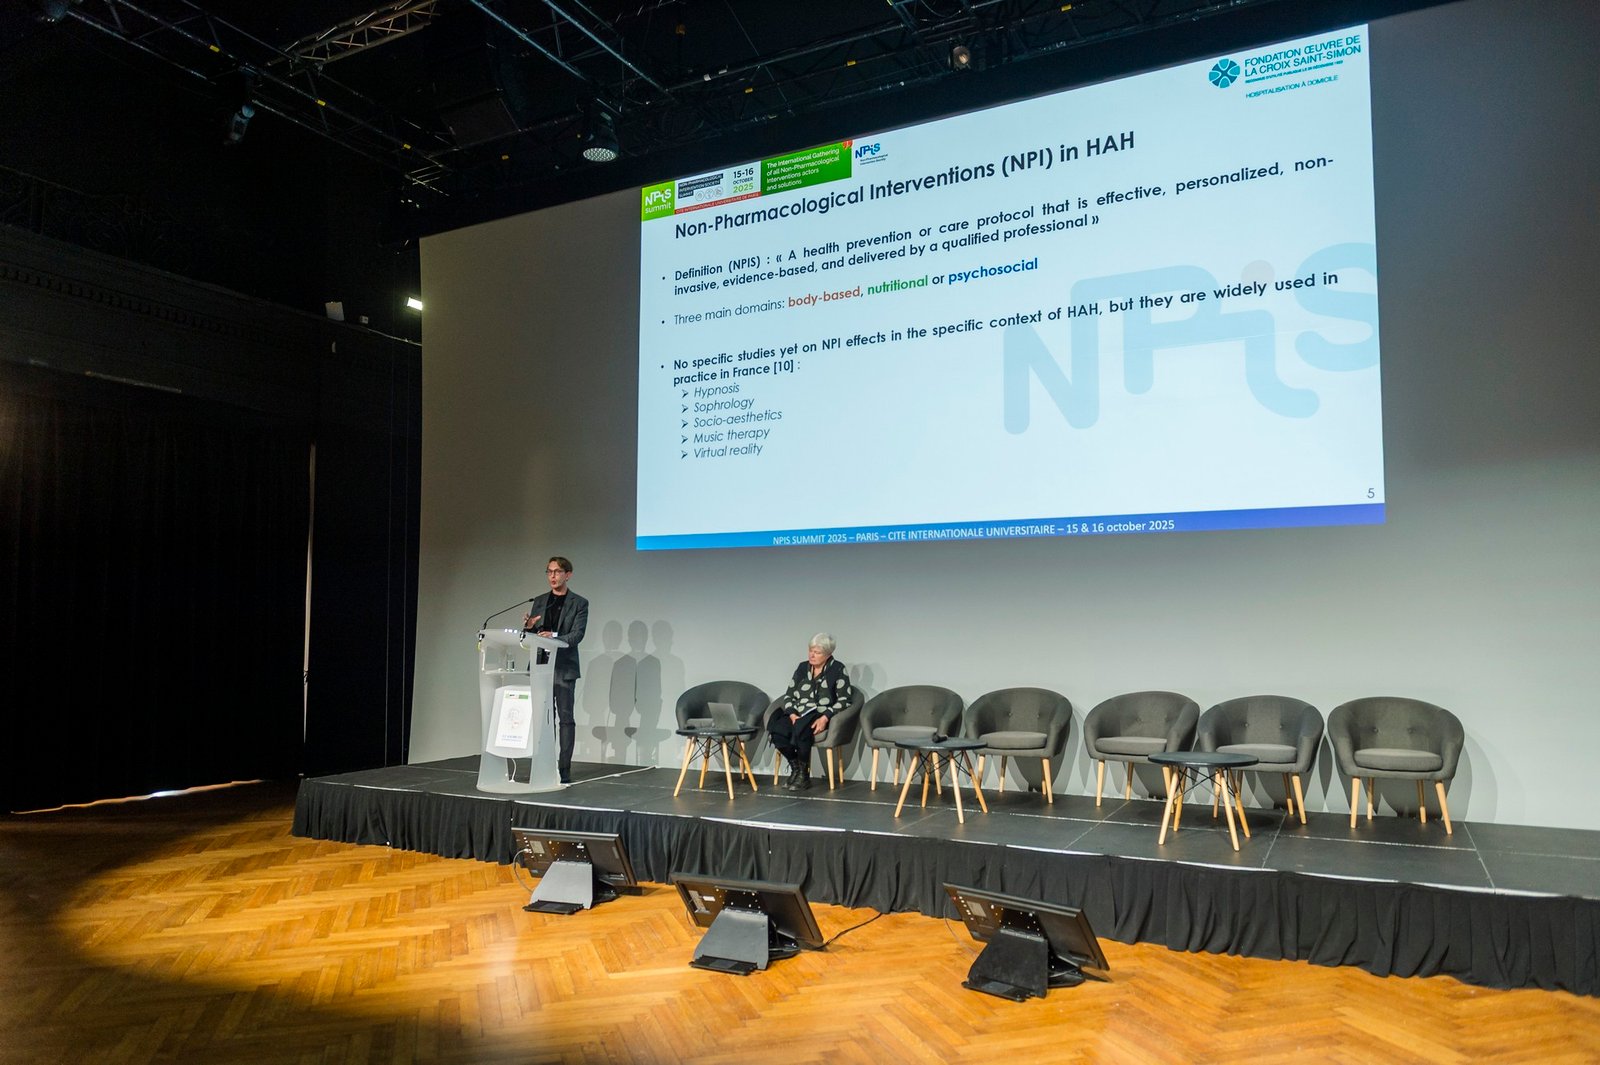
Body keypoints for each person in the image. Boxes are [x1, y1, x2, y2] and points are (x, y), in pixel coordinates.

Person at [522, 556, 588, 783]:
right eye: (549, 571)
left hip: (563, 667)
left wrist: (555, 636)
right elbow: (533, 636)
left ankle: (564, 769)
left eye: (558, 572)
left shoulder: (579, 603)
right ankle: (544, 764)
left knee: (565, 718)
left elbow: (577, 635)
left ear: (568, 575)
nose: (553, 576)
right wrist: (529, 627)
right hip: (540, 665)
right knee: (542, 718)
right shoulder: (540, 601)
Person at [768, 633, 853, 790]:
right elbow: (789, 695)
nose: (812, 655)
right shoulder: (802, 668)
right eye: (810, 651)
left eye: (817, 652)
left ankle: (804, 776)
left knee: (803, 728)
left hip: (819, 713)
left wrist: (825, 718)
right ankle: (796, 768)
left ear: (828, 654)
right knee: (777, 730)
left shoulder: (837, 669)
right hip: (798, 712)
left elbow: (844, 699)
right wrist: (792, 713)